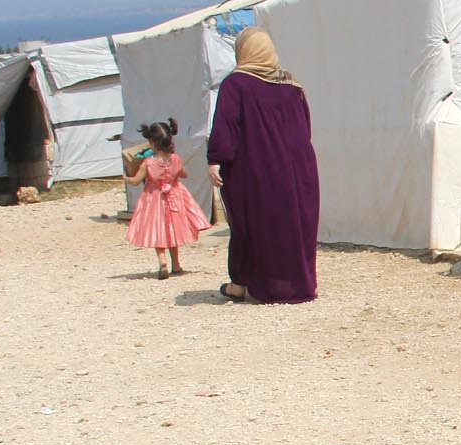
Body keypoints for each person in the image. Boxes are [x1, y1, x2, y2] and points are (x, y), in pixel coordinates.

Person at [206, 28, 320, 304]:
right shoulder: (292, 84)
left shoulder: (237, 84)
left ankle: (247, 284)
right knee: (294, 223)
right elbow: (305, 127)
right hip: (299, 167)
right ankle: (300, 285)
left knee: (255, 223)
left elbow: (226, 127)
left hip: (258, 168)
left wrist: (215, 160)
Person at [122, 118, 210, 280]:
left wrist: (126, 178)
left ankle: (162, 261)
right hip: (174, 197)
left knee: (158, 230)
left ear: (153, 143)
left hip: (154, 199)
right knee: (172, 230)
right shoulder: (175, 159)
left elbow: (135, 181)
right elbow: (184, 174)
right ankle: (176, 264)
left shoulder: (148, 163)